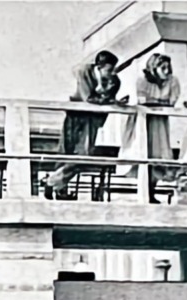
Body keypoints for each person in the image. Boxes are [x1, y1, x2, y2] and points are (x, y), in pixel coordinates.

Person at [42, 50, 126, 200]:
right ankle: (60, 189)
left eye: (114, 69)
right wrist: (109, 100)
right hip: (75, 115)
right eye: (109, 69)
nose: (112, 73)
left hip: (92, 119)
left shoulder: (115, 81)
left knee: (84, 154)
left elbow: (108, 97)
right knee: (66, 151)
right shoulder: (84, 72)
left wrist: (111, 99)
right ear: (99, 67)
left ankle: (52, 181)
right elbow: (88, 97)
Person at [117, 53, 181, 202]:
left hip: (159, 122)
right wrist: (157, 102)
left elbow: (172, 101)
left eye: (168, 67)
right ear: (154, 67)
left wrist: (157, 102)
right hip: (143, 120)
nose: (166, 70)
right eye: (162, 67)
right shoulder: (142, 80)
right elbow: (142, 100)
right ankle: (144, 190)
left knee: (158, 155)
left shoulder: (172, 81)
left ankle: (152, 190)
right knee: (143, 151)